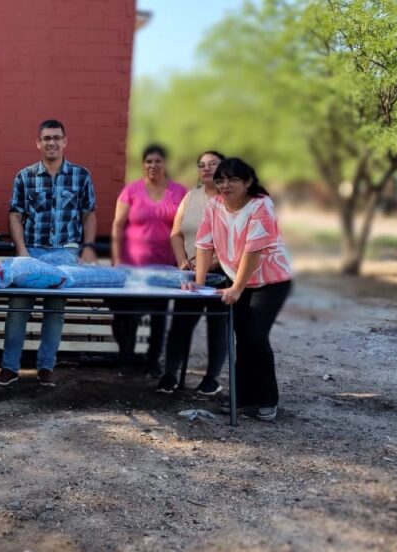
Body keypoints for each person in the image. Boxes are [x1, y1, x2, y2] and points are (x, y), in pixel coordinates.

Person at [0, 119, 97, 388]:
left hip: (65, 252)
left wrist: (87, 248)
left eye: (57, 138)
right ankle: (9, 367)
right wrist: (23, 252)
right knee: (18, 309)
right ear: (38, 143)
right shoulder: (25, 177)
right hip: (32, 251)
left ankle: (46, 366)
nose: (52, 142)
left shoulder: (81, 175)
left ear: (65, 141)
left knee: (55, 310)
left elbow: (89, 215)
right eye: (46, 138)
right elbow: (15, 216)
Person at [189, 157, 293, 421]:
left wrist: (236, 287)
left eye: (233, 179)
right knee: (243, 339)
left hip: (270, 281)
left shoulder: (261, 205)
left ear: (247, 182)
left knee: (256, 337)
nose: (225, 184)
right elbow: (204, 245)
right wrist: (199, 283)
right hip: (238, 279)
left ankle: (268, 398)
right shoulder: (214, 206)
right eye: (221, 179)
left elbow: (253, 249)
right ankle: (243, 397)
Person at [108, 144, 187, 377]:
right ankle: (127, 359)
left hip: (165, 265)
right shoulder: (131, 191)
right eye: (148, 161)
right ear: (143, 165)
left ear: (165, 164)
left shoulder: (179, 192)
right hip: (132, 266)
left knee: (159, 315)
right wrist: (116, 260)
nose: (153, 165)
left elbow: (186, 227)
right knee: (128, 314)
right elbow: (118, 226)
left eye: (158, 161)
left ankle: (153, 361)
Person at [157, 151, 229, 394]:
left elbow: (235, 241)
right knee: (180, 323)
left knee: (217, 325)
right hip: (189, 273)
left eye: (213, 164)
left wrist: (209, 264)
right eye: (201, 165)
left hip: (222, 273)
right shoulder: (191, 197)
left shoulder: (230, 199)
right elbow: (176, 233)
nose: (206, 168)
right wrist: (182, 263)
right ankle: (170, 375)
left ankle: (212, 379)